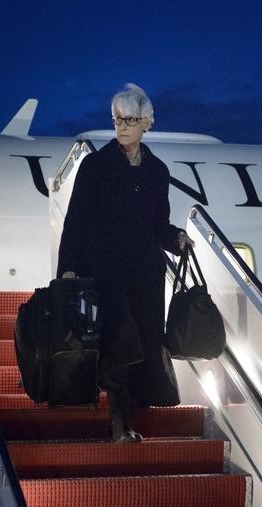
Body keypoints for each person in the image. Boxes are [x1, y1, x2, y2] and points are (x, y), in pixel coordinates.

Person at [57, 83, 194, 442]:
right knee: (120, 342)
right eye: (117, 118)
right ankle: (120, 423)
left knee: (145, 343)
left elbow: (157, 224)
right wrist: (68, 268)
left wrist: (176, 239)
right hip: (105, 271)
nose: (121, 126)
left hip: (146, 274)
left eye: (129, 119)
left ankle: (134, 415)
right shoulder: (95, 166)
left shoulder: (157, 171)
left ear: (146, 122)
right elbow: (76, 220)